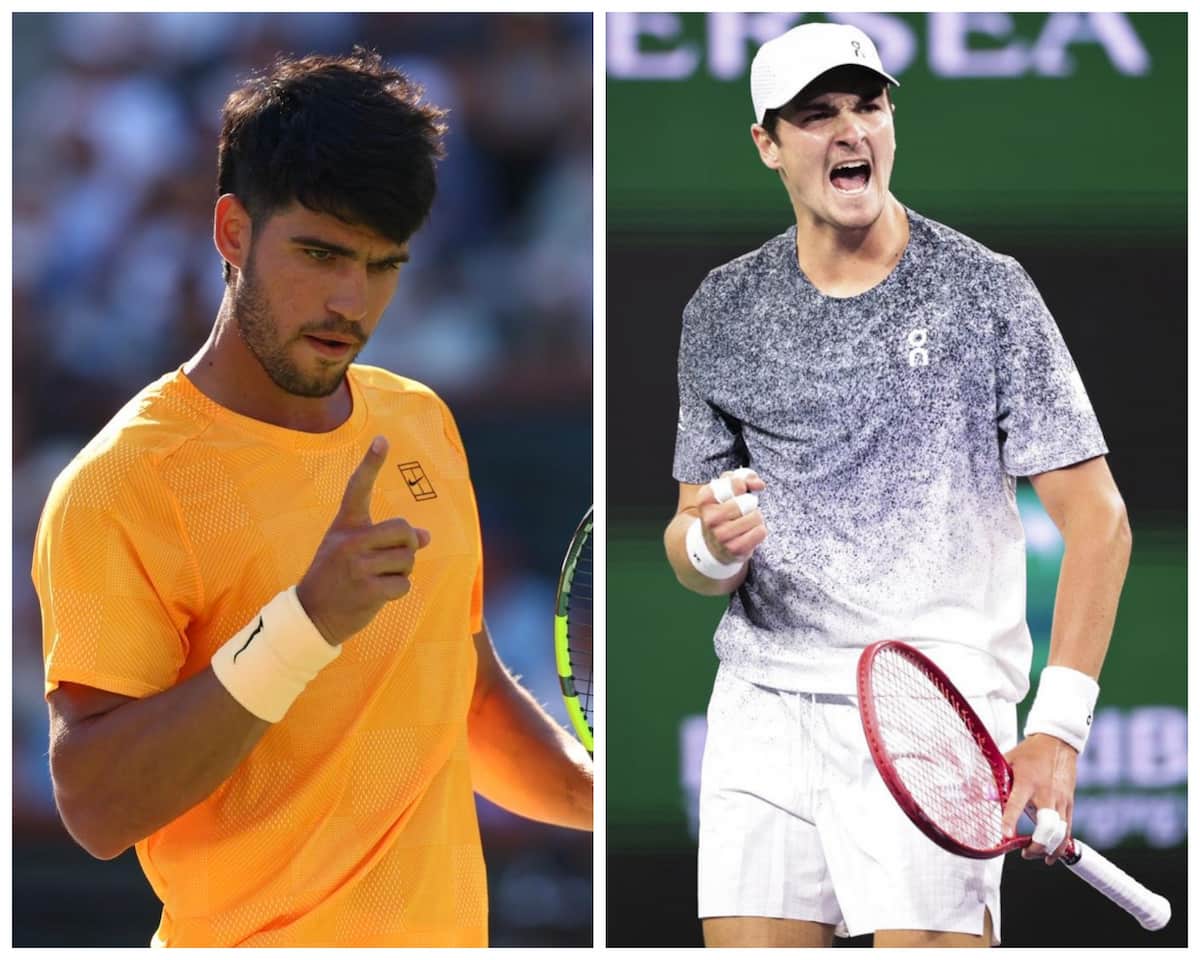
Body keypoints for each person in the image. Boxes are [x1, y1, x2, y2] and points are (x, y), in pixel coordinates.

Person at [33, 49, 592, 948]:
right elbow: (96, 806)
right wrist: (301, 627)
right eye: (320, 252)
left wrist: (604, 801)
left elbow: (466, 695)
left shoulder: (420, 422)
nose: (349, 299)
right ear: (230, 231)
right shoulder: (121, 482)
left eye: (382, 264)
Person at [663, 22, 1129, 949]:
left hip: (939, 704)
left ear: (890, 122)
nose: (850, 132)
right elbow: (689, 545)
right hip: (766, 703)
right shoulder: (721, 308)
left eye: (868, 106)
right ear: (767, 144)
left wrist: (1060, 730)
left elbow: (1100, 525)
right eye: (816, 114)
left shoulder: (986, 291)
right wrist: (712, 545)